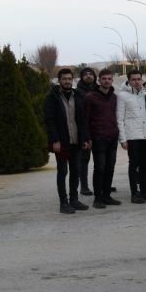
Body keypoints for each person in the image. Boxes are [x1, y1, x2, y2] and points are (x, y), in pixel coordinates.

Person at [44, 68, 91, 214]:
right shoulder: (52, 97)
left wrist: (85, 138)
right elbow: (49, 121)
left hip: (76, 141)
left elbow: (83, 120)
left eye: (69, 79)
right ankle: (63, 203)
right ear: (59, 80)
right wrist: (55, 140)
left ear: (73, 80)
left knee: (76, 171)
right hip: (62, 142)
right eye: (64, 79)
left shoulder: (78, 96)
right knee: (62, 171)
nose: (67, 81)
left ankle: (74, 200)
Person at [85, 69, 120, 208]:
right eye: (104, 78)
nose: (106, 81)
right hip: (98, 137)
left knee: (110, 168)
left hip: (112, 137)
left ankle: (107, 195)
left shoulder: (114, 97)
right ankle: (98, 198)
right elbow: (85, 119)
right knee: (100, 168)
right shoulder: (90, 97)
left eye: (109, 78)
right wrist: (87, 138)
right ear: (98, 80)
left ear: (112, 80)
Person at [117, 70, 146, 203]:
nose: (137, 82)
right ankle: (135, 193)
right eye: (134, 79)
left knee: (145, 164)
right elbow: (119, 118)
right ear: (129, 80)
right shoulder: (122, 96)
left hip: (145, 135)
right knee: (134, 165)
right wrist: (123, 139)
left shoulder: (145, 94)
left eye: (139, 79)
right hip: (132, 136)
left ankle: (145, 190)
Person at [74, 67, 98, 197]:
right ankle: (84, 186)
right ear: (81, 77)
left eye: (91, 74)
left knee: (101, 160)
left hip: (99, 129)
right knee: (84, 159)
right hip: (84, 130)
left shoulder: (99, 90)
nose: (88, 76)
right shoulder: (77, 92)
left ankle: (102, 184)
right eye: (85, 74)